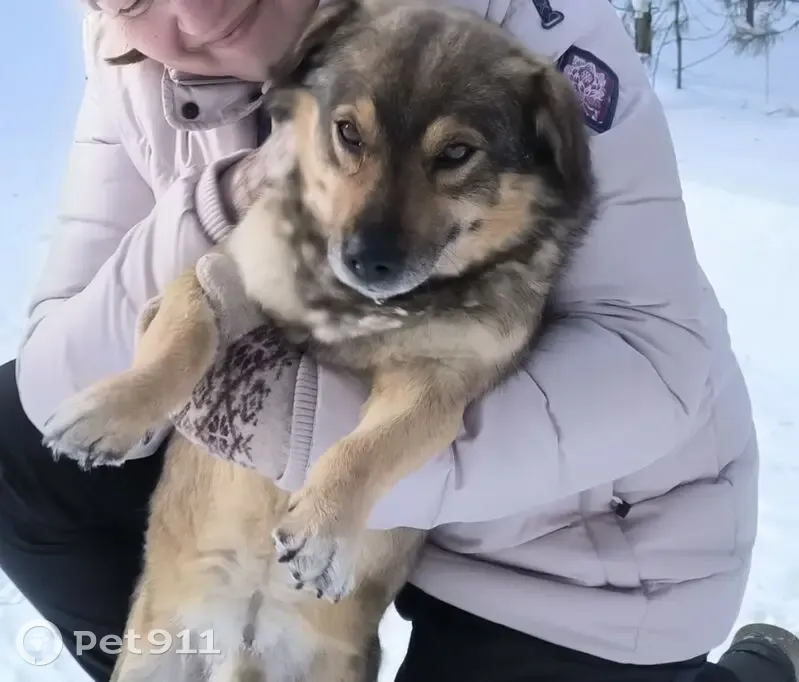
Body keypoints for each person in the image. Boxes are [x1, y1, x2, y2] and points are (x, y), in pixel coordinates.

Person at [0, 0, 796, 681]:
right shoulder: (128, 59)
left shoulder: (524, 46)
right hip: (303, 511)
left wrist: (326, 451)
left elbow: (651, 354)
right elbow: (52, 364)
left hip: (566, 546)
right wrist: (229, 200)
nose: (199, 14)